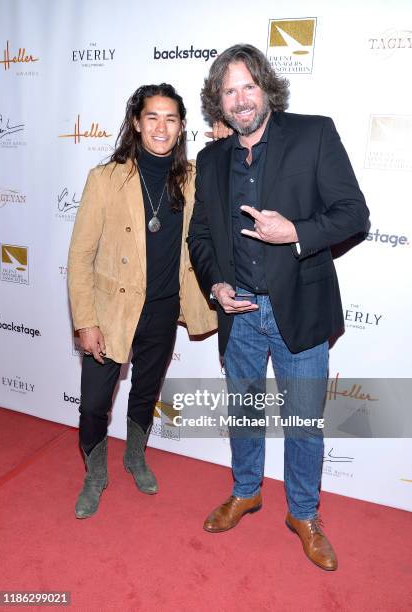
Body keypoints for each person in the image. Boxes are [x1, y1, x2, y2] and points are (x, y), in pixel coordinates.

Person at [188, 44, 369, 571]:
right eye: (229, 91)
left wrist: (295, 232)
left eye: (248, 86)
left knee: (304, 421)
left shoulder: (313, 134)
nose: (241, 100)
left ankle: (304, 514)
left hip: (300, 309)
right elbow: (201, 234)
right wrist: (217, 285)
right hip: (239, 311)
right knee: (243, 413)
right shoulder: (212, 158)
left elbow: (354, 213)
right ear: (218, 102)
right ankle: (246, 491)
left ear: (266, 87)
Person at [68, 83, 217, 519]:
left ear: (182, 127)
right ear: (136, 123)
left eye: (171, 118)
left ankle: (135, 455)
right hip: (111, 311)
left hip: (163, 309)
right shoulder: (106, 179)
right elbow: (79, 257)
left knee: (146, 391)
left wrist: (226, 138)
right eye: (152, 116)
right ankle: (95, 474)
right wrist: (85, 321)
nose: (161, 126)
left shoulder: (191, 178)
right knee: (95, 403)